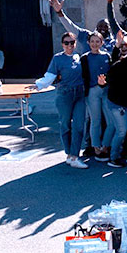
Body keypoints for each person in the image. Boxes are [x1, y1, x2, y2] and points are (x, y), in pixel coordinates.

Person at [34, 32, 88, 169]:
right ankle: (69, 154)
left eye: (72, 43)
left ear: (75, 43)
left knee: (79, 125)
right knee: (65, 124)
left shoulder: (78, 57)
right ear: (62, 44)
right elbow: (49, 76)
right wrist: (37, 84)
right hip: (65, 94)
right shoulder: (57, 58)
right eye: (66, 43)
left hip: (80, 94)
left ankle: (75, 155)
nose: (69, 45)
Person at [80, 32, 112, 162]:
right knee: (96, 120)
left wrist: (105, 82)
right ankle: (96, 147)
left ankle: (105, 145)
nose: (94, 44)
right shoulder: (85, 58)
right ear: (88, 42)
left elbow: (111, 73)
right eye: (92, 41)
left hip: (105, 90)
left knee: (110, 121)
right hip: (92, 91)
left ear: (102, 42)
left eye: (97, 41)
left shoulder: (106, 56)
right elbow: (82, 76)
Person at [48, 0, 113, 55]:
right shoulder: (86, 35)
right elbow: (70, 26)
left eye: (106, 26)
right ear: (96, 27)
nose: (103, 29)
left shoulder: (113, 42)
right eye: (100, 26)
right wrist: (59, 12)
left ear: (110, 28)